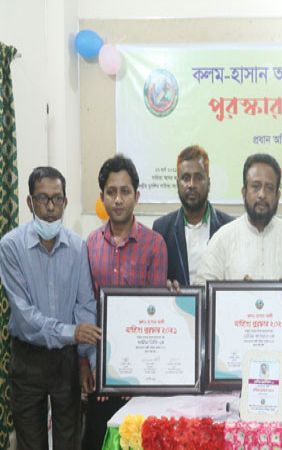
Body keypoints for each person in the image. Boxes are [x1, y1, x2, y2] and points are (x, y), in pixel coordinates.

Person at [0, 167, 101, 449]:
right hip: (28, 358)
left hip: (66, 360)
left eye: (57, 199)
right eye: (42, 199)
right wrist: (72, 332)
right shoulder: (10, 247)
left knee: (69, 441)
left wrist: (88, 361)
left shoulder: (78, 247)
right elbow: (24, 316)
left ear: (65, 202)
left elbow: (85, 306)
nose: (50, 207)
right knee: (31, 443)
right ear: (29, 202)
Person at [82, 155, 168, 449]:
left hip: (141, 377)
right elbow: (86, 309)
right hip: (100, 373)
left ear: (137, 196)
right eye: (111, 192)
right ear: (102, 197)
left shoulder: (155, 244)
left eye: (125, 191)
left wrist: (135, 375)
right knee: (97, 440)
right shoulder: (90, 244)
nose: (118, 199)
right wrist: (89, 364)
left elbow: (154, 317)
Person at [195, 153, 282, 283]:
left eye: (269, 188)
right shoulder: (222, 238)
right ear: (244, 192)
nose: (262, 195)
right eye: (256, 187)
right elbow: (203, 287)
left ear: (277, 196)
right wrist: (238, 291)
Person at [153, 145, 233, 286]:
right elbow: (158, 280)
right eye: (185, 178)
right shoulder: (162, 229)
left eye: (198, 177)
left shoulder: (228, 227)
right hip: (178, 300)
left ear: (209, 183)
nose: (191, 185)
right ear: (177, 183)